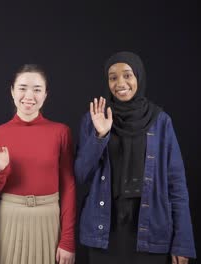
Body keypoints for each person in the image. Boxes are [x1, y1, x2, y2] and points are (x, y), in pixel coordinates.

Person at [74, 51, 196, 264]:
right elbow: (80, 174)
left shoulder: (161, 121)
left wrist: (182, 242)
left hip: (150, 230)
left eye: (127, 75)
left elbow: (177, 186)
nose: (120, 82)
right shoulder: (94, 118)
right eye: (113, 77)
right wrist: (100, 135)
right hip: (105, 230)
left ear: (139, 76)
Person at [0, 64, 76, 264]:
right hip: (9, 220)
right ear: (12, 91)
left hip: (49, 219)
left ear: (45, 94)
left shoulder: (60, 132)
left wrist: (67, 240)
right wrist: (1, 170)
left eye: (37, 89)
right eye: (23, 88)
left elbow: (68, 187)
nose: (29, 96)